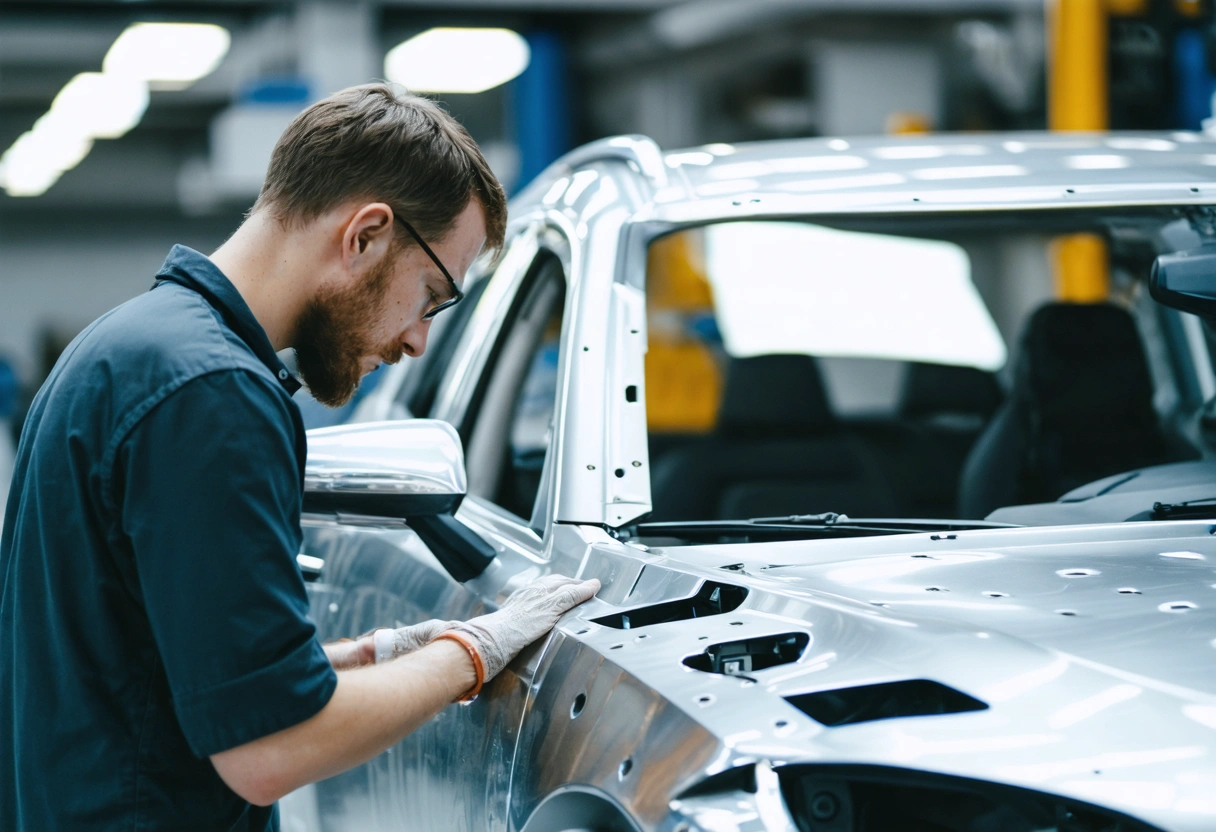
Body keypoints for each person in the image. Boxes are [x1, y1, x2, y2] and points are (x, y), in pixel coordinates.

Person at [0, 83, 599, 832]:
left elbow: (168, 679)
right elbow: (270, 748)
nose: (417, 339)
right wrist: (472, 650)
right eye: (434, 295)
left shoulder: (131, 346)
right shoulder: (212, 397)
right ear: (366, 235)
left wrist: (372, 656)